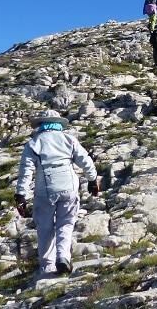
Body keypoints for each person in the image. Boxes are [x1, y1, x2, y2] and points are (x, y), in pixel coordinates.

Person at [14, 110, 100, 277]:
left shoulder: (33, 143)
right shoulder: (69, 139)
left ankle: (47, 266)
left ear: (41, 125)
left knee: (44, 227)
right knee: (66, 223)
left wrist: (20, 194)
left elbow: (26, 171)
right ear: (58, 124)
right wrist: (92, 180)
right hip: (69, 187)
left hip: (45, 189)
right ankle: (63, 257)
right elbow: (85, 160)